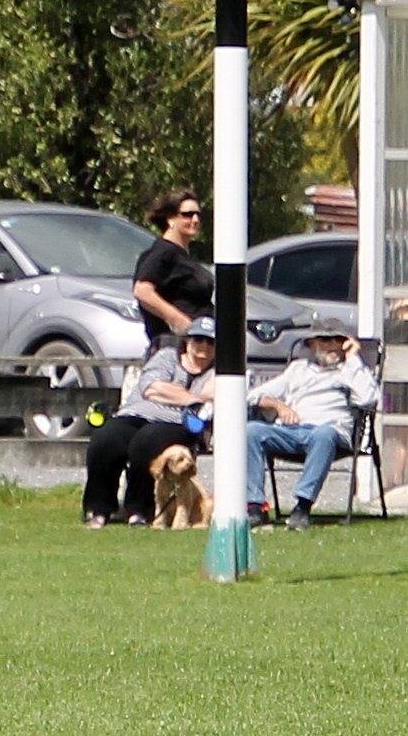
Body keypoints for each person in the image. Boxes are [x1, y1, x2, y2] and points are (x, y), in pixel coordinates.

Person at [82, 316, 216, 527]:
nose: (204, 348)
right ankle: (98, 508)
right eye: (198, 340)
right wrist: (193, 399)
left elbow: (210, 400)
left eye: (210, 342)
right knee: (106, 439)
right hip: (135, 413)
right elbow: (150, 388)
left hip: (178, 424)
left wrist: (168, 391)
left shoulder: (215, 373)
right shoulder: (166, 357)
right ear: (187, 342)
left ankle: (139, 510)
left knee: (146, 442)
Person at [245, 325, 379, 528]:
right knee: (252, 431)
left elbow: (370, 398)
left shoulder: (350, 370)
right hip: (292, 431)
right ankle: (255, 507)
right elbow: (253, 396)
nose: (332, 345)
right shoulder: (298, 369)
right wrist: (278, 406)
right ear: (312, 344)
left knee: (323, 434)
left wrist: (352, 357)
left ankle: (302, 507)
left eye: (338, 340)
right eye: (325, 340)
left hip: (330, 433)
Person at [131, 189, 214, 354]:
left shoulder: (182, 254)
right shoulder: (163, 252)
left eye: (198, 215)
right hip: (173, 347)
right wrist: (178, 320)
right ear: (170, 219)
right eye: (187, 215)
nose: (195, 220)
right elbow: (142, 290)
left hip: (198, 346)